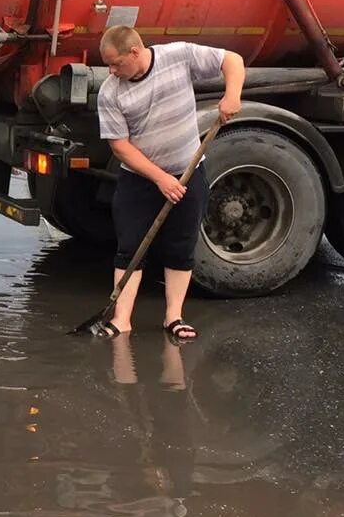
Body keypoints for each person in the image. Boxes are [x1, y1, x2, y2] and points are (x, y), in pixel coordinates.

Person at [96, 25, 244, 341]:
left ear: (134, 52)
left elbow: (231, 60)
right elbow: (119, 145)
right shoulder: (111, 91)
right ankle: (122, 319)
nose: (111, 70)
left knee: (181, 244)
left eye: (116, 63)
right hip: (140, 179)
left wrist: (232, 95)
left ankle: (173, 317)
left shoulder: (177, 56)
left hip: (188, 172)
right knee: (130, 246)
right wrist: (161, 178)